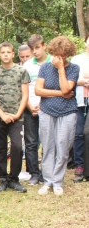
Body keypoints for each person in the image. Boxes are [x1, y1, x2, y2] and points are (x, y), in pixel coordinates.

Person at [36, 36, 78, 196]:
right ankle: (47, 181)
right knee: (47, 146)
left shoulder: (73, 68)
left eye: (62, 55)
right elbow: (38, 90)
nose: (58, 58)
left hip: (68, 112)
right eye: (56, 54)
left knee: (63, 146)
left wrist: (61, 69)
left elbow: (68, 87)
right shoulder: (45, 67)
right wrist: (61, 93)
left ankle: (57, 181)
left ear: (67, 54)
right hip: (47, 111)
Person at [0, 42, 30, 193]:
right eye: (2, 52)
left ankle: (14, 179)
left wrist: (17, 114)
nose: (5, 54)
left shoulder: (21, 71)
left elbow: (25, 95)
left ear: (13, 54)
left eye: (8, 52)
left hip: (16, 117)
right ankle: (3, 179)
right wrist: (2, 114)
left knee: (17, 147)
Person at [22, 34, 51, 185]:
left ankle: (47, 173)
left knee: (48, 141)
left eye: (38, 47)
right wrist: (29, 105)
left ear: (44, 45)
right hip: (29, 108)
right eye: (33, 49)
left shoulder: (54, 62)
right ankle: (34, 173)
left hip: (48, 107)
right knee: (31, 142)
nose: (36, 52)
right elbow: (23, 89)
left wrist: (42, 104)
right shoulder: (26, 65)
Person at [70, 35, 89, 181]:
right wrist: (82, 81)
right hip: (79, 101)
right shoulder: (76, 59)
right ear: (85, 42)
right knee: (78, 133)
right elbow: (71, 78)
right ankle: (79, 164)